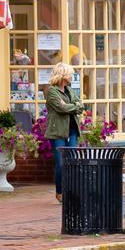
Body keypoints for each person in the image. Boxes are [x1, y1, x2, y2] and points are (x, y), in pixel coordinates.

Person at [42, 62, 83, 197]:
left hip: (72, 131)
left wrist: (71, 105)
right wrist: (73, 106)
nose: (72, 76)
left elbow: (80, 105)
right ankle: (60, 192)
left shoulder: (70, 90)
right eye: (70, 74)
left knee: (72, 162)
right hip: (57, 132)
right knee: (61, 164)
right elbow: (61, 108)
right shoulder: (51, 91)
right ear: (63, 75)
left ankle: (71, 191)